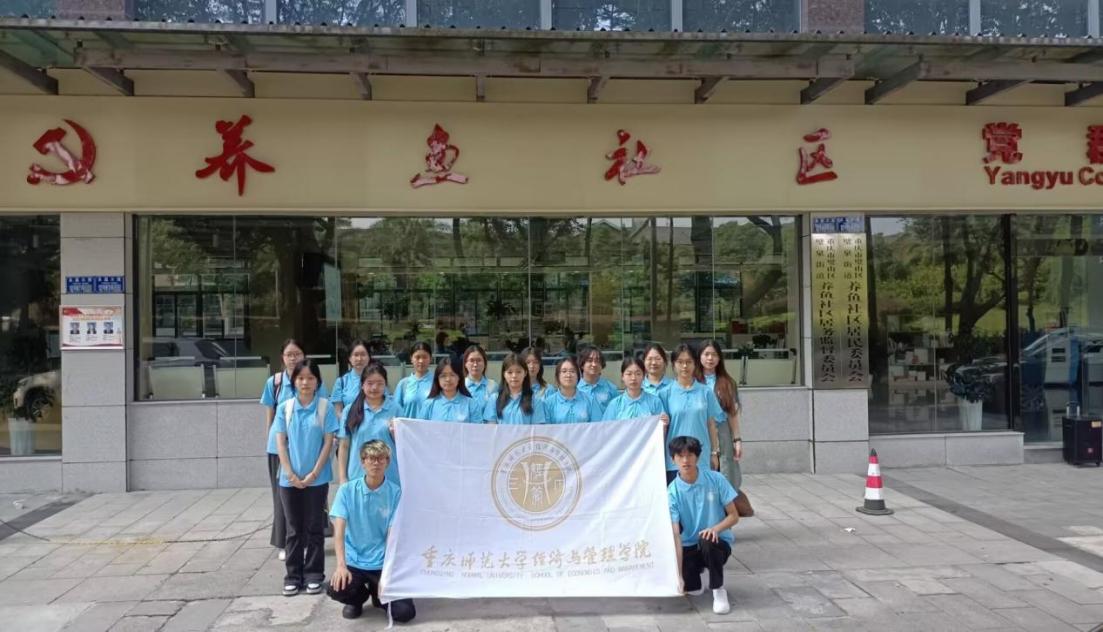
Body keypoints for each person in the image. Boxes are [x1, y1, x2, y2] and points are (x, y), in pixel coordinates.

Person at [327, 440, 416, 623]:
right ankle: (357, 599)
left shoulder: (395, 493)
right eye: (371, 458)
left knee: (405, 613)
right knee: (336, 588)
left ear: (387, 462)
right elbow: (339, 531)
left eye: (381, 459)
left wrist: (388, 572)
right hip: (355, 561)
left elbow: (392, 535)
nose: (376, 463)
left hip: (382, 562)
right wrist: (341, 566)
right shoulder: (347, 491)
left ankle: (378, 594)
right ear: (363, 462)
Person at [273, 358, 339, 597]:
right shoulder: (285, 408)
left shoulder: (325, 407)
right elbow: (281, 442)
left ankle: (314, 575)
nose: (305, 382)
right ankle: (292, 576)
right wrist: (290, 473)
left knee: (314, 528)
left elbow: (328, 443)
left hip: (317, 479)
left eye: (310, 378)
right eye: (301, 378)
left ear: (317, 382)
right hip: (288, 480)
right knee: (293, 529)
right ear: (294, 381)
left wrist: (313, 474)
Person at [260, 339, 330, 561]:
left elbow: (323, 411)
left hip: (309, 445)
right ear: (282, 357)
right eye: (289, 354)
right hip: (279, 448)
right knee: (284, 496)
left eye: (297, 354)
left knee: (312, 495)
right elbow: (270, 415)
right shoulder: (275, 382)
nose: (293, 358)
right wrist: (270, 439)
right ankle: (285, 542)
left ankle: (309, 541)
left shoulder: (315, 381)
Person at [668, 435, 739, 615]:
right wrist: (679, 577)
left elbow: (734, 516)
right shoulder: (672, 492)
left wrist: (715, 529)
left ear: (697, 457)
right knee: (692, 589)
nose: (685, 460)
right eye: (680, 456)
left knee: (707, 539)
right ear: (673, 459)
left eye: (690, 455)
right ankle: (696, 572)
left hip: (717, 543)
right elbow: (675, 535)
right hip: (689, 546)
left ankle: (718, 589)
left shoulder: (716, 479)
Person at [698, 340, 754, 517]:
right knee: (703, 468)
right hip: (700, 430)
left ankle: (725, 513)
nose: (710, 358)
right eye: (706, 354)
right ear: (699, 357)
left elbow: (732, 413)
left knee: (726, 470)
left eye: (714, 355)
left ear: (720, 358)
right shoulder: (693, 380)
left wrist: (737, 439)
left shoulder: (727, 382)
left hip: (722, 431)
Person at [664, 344, 723, 484]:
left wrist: (714, 453)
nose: (684, 366)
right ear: (673, 364)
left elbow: (711, 424)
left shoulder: (706, 392)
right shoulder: (665, 393)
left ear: (695, 364)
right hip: (675, 459)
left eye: (689, 362)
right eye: (680, 362)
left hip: (701, 457)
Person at [337, 363, 401, 486]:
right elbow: (344, 446)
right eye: (370, 383)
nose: (374, 387)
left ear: (385, 385)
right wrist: (342, 477)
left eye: (380, 383)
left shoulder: (396, 409)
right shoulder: (350, 410)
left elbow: (403, 446)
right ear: (362, 385)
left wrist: (394, 433)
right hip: (357, 476)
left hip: (390, 477)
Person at [602, 356, 669, 427]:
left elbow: (660, 429)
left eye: (638, 374)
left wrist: (664, 423)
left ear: (643, 376)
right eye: (629, 374)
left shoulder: (655, 402)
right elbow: (606, 428)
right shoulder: (615, 404)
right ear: (622, 376)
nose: (633, 378)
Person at [418, 355, 485, 423]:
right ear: (437, 379)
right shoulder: (429, 404)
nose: (448, 379)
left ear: (459, 377)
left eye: (452, 375)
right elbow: (420, 428)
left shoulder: (471, 404)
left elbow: (478, 429)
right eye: (443, 376)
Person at [541, 356, 603, 424]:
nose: (568, 375)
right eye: (564, 371)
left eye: (572, 371)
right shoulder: (548, 403)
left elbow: (597, 426)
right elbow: (546, 429)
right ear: (558, 376)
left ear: (578, 376)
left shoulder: (590, 400)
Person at [487, 353, 545, 424]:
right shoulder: (494, 399)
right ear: (504, 374)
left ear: (525, 373)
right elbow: (491, 427)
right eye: (510, 372)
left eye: (518, 372)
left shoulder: (535, 401)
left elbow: (537, 428)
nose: (514, 376)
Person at [331, 339, 375, 419]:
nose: (359, 359)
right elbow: (337, 412)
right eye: (356, 355)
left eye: (363, 355)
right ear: (350, 358)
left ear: (369, 357)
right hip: (349, 424)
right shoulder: (341, 382)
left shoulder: (377, 380)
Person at [577, 346, 620, 416]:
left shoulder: (611, 388)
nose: (594, 364)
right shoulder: (575, 390)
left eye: (597, 361)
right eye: (590, 360)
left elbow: (619, 413)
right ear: (582, 365)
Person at [394, 342, 434, 418]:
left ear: (430, 359)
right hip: (407, 426)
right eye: (417, 357)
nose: (421, 361)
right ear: (411, 358)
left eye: (425, 357)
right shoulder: (403, 384)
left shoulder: (437, 382)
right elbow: (395, 411)